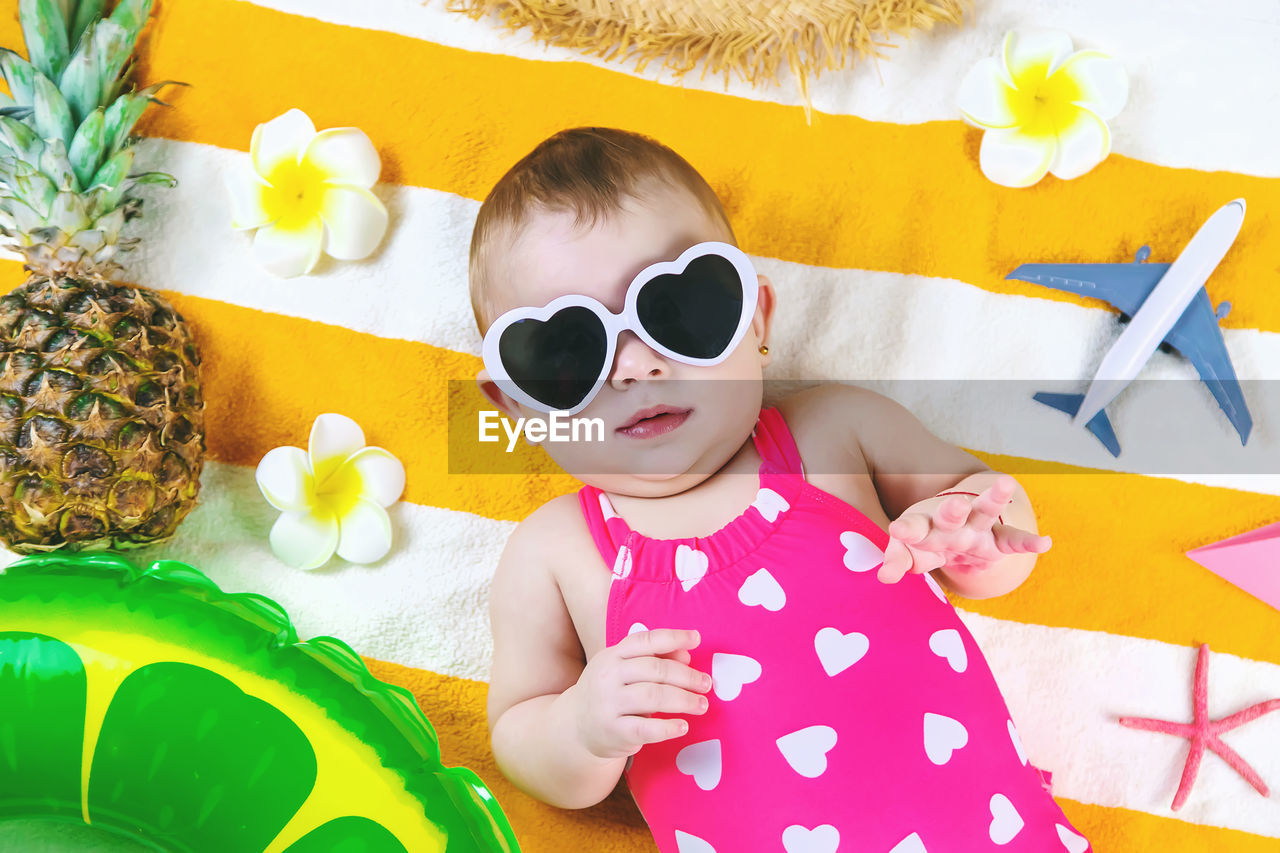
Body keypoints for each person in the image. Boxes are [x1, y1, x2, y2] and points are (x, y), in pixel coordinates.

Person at [471, 126, 1090, 852]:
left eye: (678, 310)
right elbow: (520, 736)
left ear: (756, 316)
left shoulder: (837, 430)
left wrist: (975, 537)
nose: (635, 365)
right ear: (513, 405)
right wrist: (580, 726)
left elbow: (993, 530)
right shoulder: (555, 551)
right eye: (567, 351)